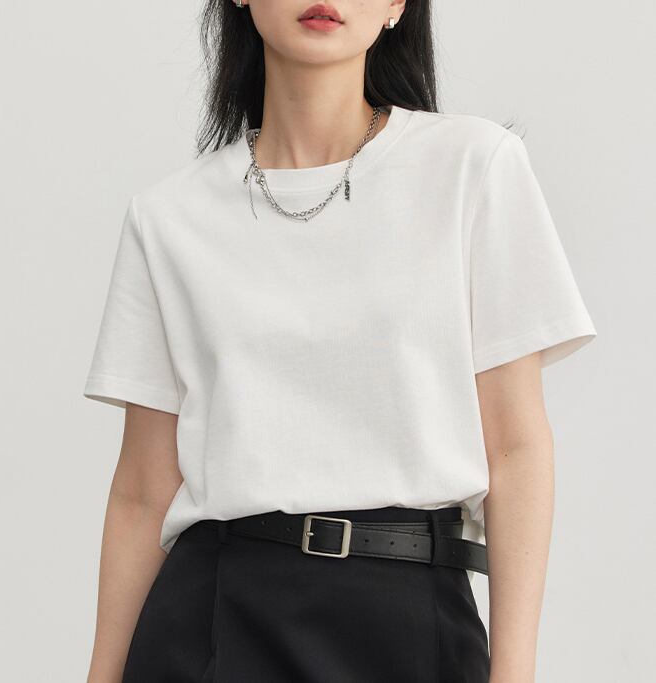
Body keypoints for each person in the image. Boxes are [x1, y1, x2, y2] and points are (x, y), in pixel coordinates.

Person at [82, 1, 597, 681]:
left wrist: (514, 671)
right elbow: (144, 489)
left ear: (396, 6)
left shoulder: (471, 167)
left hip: (410, 623)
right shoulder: (169, 217)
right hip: (215, 623)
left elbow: (516, 446)